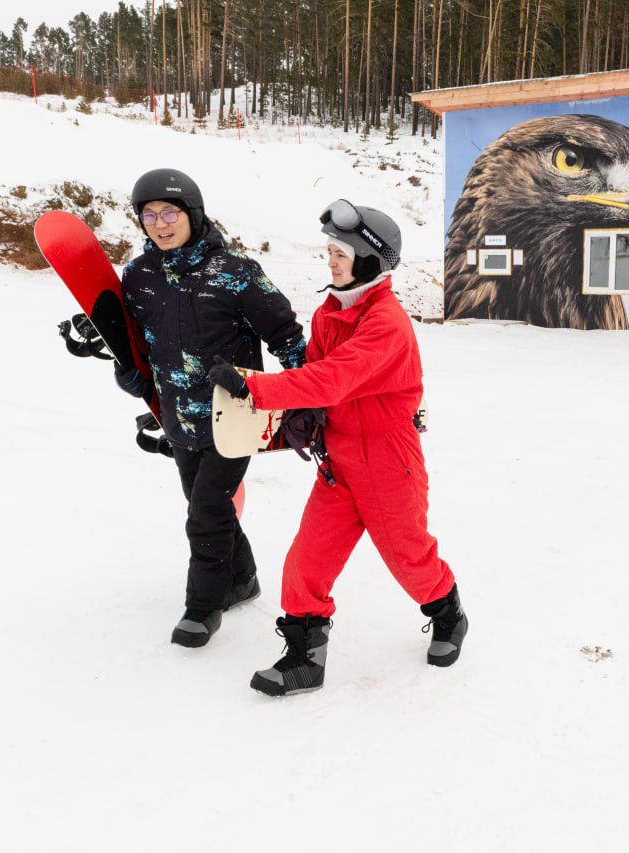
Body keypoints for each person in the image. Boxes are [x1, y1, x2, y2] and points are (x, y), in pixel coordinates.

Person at [208, 199, 468, 697]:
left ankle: (448, 612)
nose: (331, 260)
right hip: (340, 463)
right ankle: (306, 656)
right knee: (307, 561)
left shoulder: (387, 322)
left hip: (389, 463)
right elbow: (314, 380)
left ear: (371, 259)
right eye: (329, 250)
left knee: (410, 558)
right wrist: (291, 420)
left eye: (341, 252)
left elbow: (333, 379)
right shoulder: (331, 312)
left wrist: (256, 389)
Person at [118, 168, 306, 648]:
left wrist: (306, 396)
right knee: (208, 506)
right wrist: (133, 377)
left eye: (170, 213)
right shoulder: (139, 276)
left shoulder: (235, 271)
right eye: (149, 215)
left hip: (235, 415)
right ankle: (242, 579)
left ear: (193, 214)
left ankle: (202, 608)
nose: (160, 224)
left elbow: (286, 335)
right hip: (178, 416)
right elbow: (140, 343)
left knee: (204, 512)